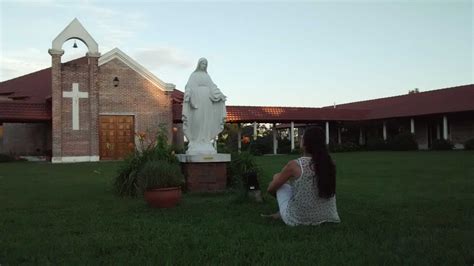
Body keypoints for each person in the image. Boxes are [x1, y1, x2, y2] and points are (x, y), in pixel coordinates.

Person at [265, 126, 341, 226]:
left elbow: (271, 189)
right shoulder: (330, 164)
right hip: (329, 216)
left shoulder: (294, 165)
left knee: (277, 179)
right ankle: (283, 211)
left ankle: (283, 213)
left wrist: (277, 181)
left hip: (298, 219)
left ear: (305, 143)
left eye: (302, 137)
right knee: (291, 185)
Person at [182, 58, 227, 155]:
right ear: (199, 64)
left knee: (206, 120)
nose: (204, 65)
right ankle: (195, 141)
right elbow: (189, 86)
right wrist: (188, 95)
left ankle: (205, 141)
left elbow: (213, 87)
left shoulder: (207, 76)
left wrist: (220, 95)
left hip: (207, 101)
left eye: (205, 64)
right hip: (197, 101)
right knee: (197, 120)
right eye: (202, 63)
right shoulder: (194, 75)